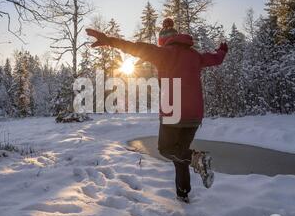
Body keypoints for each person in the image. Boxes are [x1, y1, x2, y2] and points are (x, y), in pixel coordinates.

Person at [86, 18, 228, 203]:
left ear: (163, 41)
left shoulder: (161, 53)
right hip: (195, 115)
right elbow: (216, 59)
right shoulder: (195, 56)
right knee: (180, 153)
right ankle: (183, 195)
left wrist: (109, 41)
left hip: (174, 112)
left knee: (166, 149)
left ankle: (196, 158)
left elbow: (133, 47)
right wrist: (222, 51)